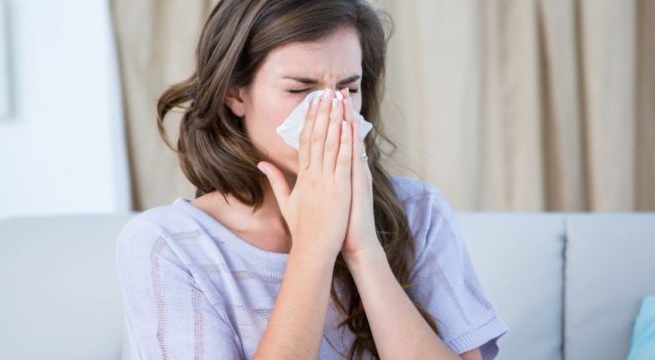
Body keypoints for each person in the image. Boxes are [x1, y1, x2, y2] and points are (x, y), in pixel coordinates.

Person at [115, 0, 508, 359]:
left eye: (348, 88)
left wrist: (363, 250)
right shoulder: (167, 246)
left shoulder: (420, 211)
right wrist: (314, 248)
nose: (331, 111)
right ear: (235, 93)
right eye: (300, 89)